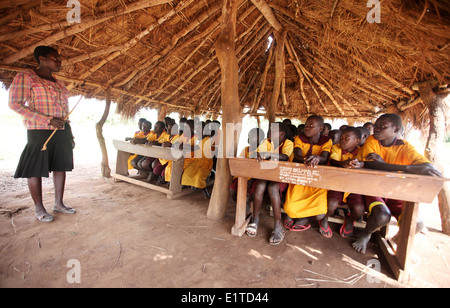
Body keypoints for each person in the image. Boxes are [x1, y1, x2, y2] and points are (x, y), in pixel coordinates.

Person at [349, 113, 442, 253]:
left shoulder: (405, 147)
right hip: (375, 189)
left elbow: (425, 167)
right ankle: (366, 234)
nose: (377, 129)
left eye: (383, 127)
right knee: (382, 215)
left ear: (396, 129)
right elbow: (372, 165)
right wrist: (408, 168)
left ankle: (397, 239)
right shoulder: (372, 141)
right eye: (377, 126)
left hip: (397, 191)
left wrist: (383, 164)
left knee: (417, 223)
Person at [8, 45, 75, 222]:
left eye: (59, 59)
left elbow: (63, 110)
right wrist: (47, 120)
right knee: (35, 169)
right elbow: (15, 104)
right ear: (42, 59)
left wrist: (68, 130)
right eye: (55, 58)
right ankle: (39, 209)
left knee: (61, 166)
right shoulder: (27, 77)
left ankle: (59, 204)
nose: (59, 62)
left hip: (61, 130)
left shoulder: (59, 83)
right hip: (38, 130)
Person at [245, 123, 293, 245]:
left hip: (281, 175)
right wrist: (257, 154)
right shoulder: (267, 142)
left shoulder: (288, 143)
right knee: (260, 186)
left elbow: (285, 156)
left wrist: (270, 154)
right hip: (266, 173)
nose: (269, 133)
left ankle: (278, 225)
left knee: (273, 188)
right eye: (269, 131)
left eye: (273, 131)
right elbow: (257, 152)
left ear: (282, 134)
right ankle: (255, 219)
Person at [283, 115, 332, 231]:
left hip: (317, 180)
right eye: (306, 125)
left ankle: (303, 218)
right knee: (290, 208)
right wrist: (306, 159)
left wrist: (317, 158)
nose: (307, 128)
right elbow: (297, 156)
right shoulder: (299, 138)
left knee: (319, 213)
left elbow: (325, 158)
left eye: (311, 126)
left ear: (320, 128)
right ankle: (298, 217)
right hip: (300, 177)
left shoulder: (327, 140)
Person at [320, 127, 365, 238]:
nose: (342, 140)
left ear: (357, 140)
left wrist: (358, 164)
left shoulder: (361, 150)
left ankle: (350, 220)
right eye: (341, 138)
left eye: (347, 138)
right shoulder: (336, 148)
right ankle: (324, 218)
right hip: (337, 183)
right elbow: (333, 160)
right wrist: (342, 164)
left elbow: (362, 162)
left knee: (359, 209)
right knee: (331, 204)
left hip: (354, 186)